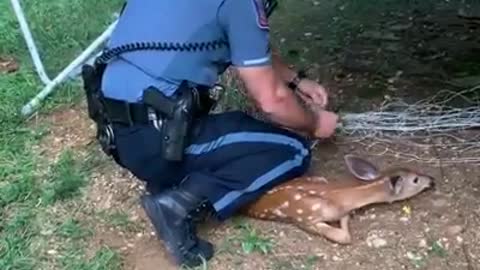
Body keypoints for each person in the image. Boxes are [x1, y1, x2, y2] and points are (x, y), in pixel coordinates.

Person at [81, 0, 339, 268]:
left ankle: (171, 180)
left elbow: (249, 47)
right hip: (160, 140)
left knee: (231, 128)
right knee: (292, 149)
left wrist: (296, 80)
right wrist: (315, 123)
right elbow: (271, 101)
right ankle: (178, 205)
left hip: (120, 136)